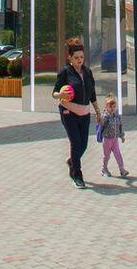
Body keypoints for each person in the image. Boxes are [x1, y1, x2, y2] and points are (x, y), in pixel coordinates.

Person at [52, 37, 97, 188]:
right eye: (76, 57)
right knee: (75, 143)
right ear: (70, 58)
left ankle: (72, 161)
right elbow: (54, 93)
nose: (79, 60)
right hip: (68, 112)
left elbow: (92, 94)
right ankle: (77, 175)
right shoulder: (65, 72)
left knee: (83, 145)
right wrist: (61, 94)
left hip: (84, 113)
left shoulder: (88, 72)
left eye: (81, 57)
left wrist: (98, 112)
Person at [96, 95, 128, 178]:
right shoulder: (105, 116)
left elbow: (119, 127)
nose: (112, 108)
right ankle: (104, 169)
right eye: (110, 107)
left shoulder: (117, 117)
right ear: (106, 107)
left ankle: (122, 169)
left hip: (115, 139)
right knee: (107, 155)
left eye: (114, 106)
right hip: (107, 139)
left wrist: (122, 136)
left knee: (118, 154)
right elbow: (102, 123)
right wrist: (99, 119)